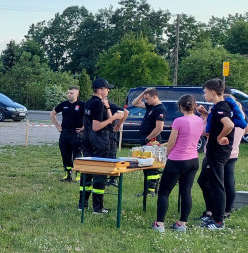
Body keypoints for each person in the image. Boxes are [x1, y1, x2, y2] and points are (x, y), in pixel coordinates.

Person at [151, 94, 203, 233]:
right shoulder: (199, 120)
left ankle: (159, 223)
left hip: (177, 160)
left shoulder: (178, 121)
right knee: (186, 192)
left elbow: (173, 141)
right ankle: (182, 224)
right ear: (194, 105)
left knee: (164, 192)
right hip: (193, 160)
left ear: (180, 107)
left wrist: (167, 153)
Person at [80, 79, 125, 214]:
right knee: (100, 172)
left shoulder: (88, 102)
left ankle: (82, 204)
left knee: (87, 171)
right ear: (100, 90)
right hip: (99, 140)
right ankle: (97, 208)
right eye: (107, 88)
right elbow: (96, 126)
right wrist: (113, 118)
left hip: (86, 139)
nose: (108, 90)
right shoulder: (99, 104)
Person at [196, 79, 235, 229]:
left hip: (218, 152)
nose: (204, 95)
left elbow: (229, 125)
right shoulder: (218, 107)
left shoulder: (221, 107)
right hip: (212, 151)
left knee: (217, 185)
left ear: (213, 92)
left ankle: (218, 221)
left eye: (205, 92)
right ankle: (211, 212)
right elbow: (217, 123)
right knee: (203, 181)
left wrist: (219, 137)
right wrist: (206, 115)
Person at [130, 87, 166, 194]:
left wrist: (148, 138)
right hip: (145, 138)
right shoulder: (150, 106)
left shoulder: (160, 109)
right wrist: (143, 93)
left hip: (152, 139)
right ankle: (147, 189)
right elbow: (134, 103)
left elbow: (159, 128)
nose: (146, 101)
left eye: (148, 98)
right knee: (145, 164)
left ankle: (151, 190)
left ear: (155, 97)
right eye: (145, 99)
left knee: (152, 165)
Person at [51, 86, 84, 181]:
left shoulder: (82, 104)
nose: (69, 95)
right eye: (68, 93)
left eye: (71, 93)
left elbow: (89, 116)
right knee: (65, 154)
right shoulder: (64, 104)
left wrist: (84, 127)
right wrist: (57, 126)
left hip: (76, 133)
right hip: (65, 133)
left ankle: (78, 175)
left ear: (77, 94)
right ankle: (67, 175)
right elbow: (52, 113)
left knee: (77, 154)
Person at [222, 94, 246, 220]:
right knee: (229, 180)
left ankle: (225, 208)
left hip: (226, 152)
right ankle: (228, 207)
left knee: (225, 182)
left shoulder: (229, 117)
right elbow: (246, 129)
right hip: (234, 152)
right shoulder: (241, 116)